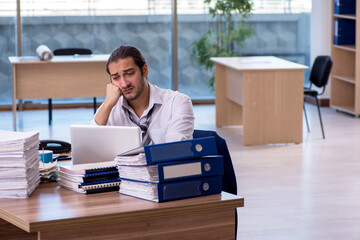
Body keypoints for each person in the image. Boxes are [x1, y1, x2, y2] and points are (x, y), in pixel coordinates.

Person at [90, 45, 194, 145]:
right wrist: (107, 104)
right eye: (116, 78)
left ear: (144, 70)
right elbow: (90, 144)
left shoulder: (177, 102)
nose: (124, 84)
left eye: (129, 74)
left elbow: (176, 150)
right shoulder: (111, 107)